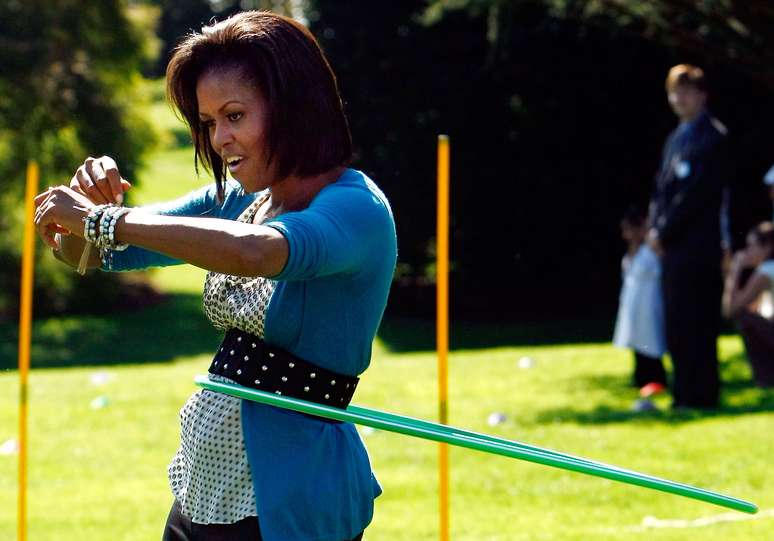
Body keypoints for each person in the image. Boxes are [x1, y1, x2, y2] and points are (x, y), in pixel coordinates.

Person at [33, 11, 397, 541]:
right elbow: (97, 253)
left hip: (289, 500)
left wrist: (102, 220)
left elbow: (254, 253)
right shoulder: (243, 198)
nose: (220, 138)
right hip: (203, 488)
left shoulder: (356, 208)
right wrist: (84, 214)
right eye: (208, 123)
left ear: (294, 108)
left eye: (234, 115)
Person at [647, 64, 728, 409]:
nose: (678, 98)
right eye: (673, 92)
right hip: (672, 249)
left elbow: (695, 195)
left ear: (702, 95)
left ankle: (703, 392)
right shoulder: (674, 138)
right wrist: (654, 229)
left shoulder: (711, 137)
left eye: (685, 91)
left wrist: (663, 231)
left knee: (699, 321)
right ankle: (683, 392)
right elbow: (662, 191)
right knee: (677, 322)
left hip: (698, 247)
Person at [613, 207, 668, 388]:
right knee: (636, 339)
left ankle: (655, 377)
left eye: (628, 229)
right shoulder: (631, 252)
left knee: (650, 339)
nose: (626, 235)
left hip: (650, 302)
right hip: (633, 303)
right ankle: (641, 376)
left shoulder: (653, 248)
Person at [722, 222, 774, 387]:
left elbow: (730, 310)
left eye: (752, 246)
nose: (747, 252)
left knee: (744, 319)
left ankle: (766, 378)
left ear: (767, 248)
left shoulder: (766, 270)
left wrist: (735, 269)